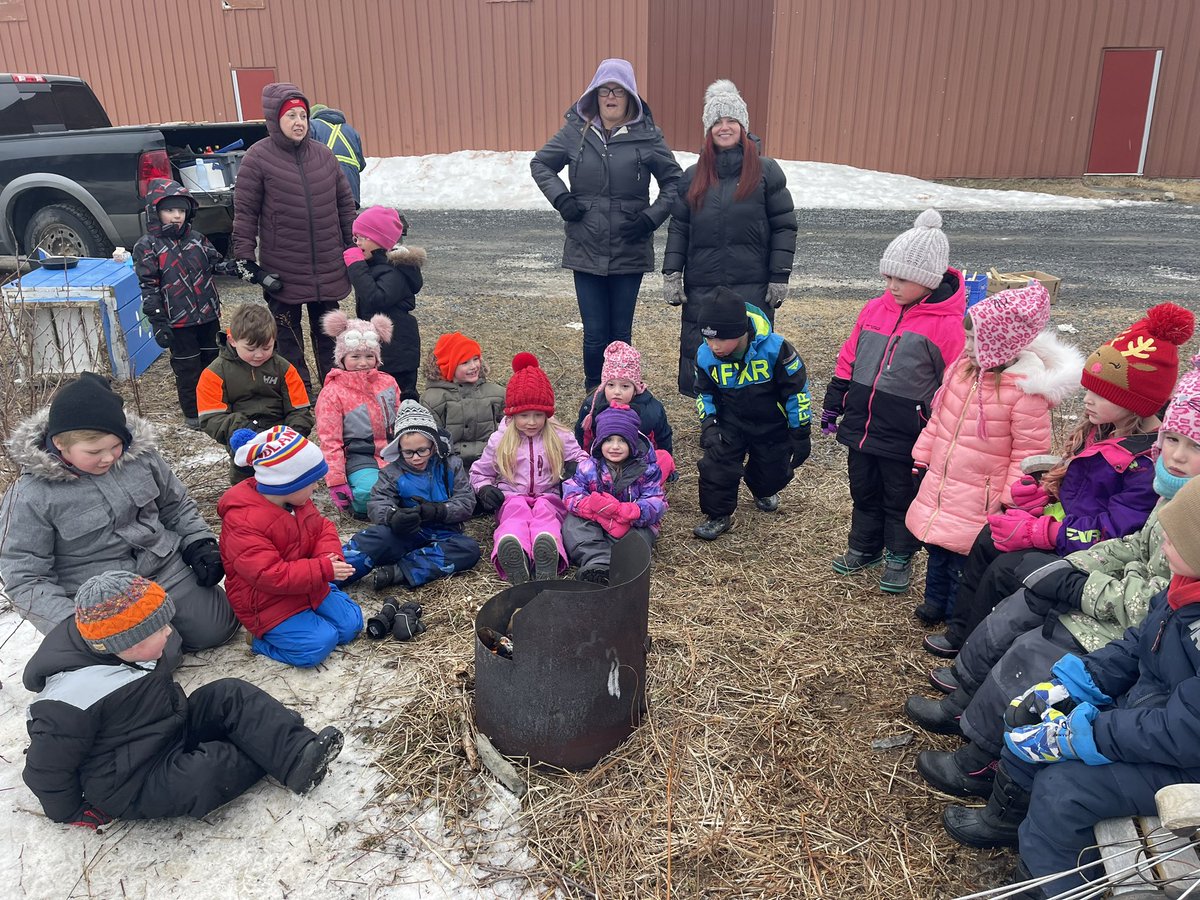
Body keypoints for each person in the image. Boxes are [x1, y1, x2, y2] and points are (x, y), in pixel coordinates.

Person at [908, 360, 1200, 799]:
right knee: (1020, 605)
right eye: (1173, 439)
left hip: (1134, 625)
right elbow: (1135, 545)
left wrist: (1084, 587)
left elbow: (1165, 597)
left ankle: (983, 759)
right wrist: (1077, 566)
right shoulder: (1172, 490)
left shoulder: (1174, 493)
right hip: (1117, 598)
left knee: (1037, 651)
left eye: (1194, 447)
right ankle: (964, 701)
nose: (1177, 454)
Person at [939, 473, 1200, 899]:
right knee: (1033, 715)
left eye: (1177, 538)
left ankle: (1050, 886)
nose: (1163, 544)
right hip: (1145, 721)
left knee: (1067, 791)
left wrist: (1085, 736)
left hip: (1184, 764)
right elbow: (1137, 645)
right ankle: (1007, 823)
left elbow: (1185, 731)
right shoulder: (1183, 591)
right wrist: (1071, 686)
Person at [923, 303, 1194, 658]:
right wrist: (1042, 497)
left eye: (1101, 394)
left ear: (1135, 403)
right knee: (989, 537)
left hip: (1086, 546)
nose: (1087, 401)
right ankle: (962, 631)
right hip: (1065, 527)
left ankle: (979, 650)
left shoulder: (1145, 466)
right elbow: (1076, 490)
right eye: (1088, 390)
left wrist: (1048, 533)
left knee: (1009, 568)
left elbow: (1116, 529)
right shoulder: (1101, 430)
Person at [23, 571, 343, 827]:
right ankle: (267, 743)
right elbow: (45, 766)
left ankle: (296, 756)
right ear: (124, 643)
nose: (168, 632)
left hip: (169, 726)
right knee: (207, 772)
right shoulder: (71, 699)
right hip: (132, 781)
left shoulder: (125, 647)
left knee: (228, 693)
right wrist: (67, 811)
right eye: (158, 629)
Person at [0, 373, 238, 651]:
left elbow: (176, 506)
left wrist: (199, 542)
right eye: (94, 451)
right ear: (60, 444)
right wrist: (71, 627)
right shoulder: (30, 495)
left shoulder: (140, 457)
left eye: (116, 446)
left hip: (164, 570)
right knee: (159, 657)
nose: (109, 457)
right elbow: (25, 576)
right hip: (104, 597)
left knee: (217, 629)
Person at [904, 281, 1083, 625]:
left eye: (976, 340)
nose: (967, 346)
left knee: (965, 559)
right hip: (944, 481)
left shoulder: (1024, 393)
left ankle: (958, 612)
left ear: (1003, 343)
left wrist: (1009, 496)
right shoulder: (962, 372)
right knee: (937, 547)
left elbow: (1028, 453)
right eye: (967, 338)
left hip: (981, 494)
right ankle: (934, 601)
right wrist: (923, 455)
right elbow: (940, 418)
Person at [821, 209, 965, 592]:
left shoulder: (947, 325)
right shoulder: (874, 309)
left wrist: (938, 425)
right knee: (863, 487)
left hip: (906, 432)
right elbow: (851, 352)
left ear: (928, 280)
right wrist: (838, 392)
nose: (892, 285)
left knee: (900, 495)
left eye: (902, 278)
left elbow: (952, 381)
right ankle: (863, 546)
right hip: (863, 424)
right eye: (888, 276)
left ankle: (899, 557)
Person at [531, 58, 682, 391]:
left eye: (618, 90)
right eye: (604, 90)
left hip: (630, 248)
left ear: (630, 96)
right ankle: (593, 394)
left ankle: (621, 393)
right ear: (595, 95)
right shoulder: (575, 132)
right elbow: (541, 164)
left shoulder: (647, 136)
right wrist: (562, 199)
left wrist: (650, 218)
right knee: (595, 332)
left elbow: (675, 182)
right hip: (586, 246)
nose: (611, 96)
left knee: (620, 333)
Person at [663, 80, 797, 397]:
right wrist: (672, 274)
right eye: (717, 122)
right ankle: (712, 417)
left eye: (731, 121)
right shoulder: (693, 175)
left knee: (749, 348)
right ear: (709, 130)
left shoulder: (766, 172)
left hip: (752, 282)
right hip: (703, 282)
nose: (724, 128)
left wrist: (779, 275)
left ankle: (749, 415)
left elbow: (784, 225)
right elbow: (679, 227)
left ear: (743, 125)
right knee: (707, 347)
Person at [232, 82, 356, 391]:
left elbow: (344, 204)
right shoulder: (258, 157)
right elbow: (245, 210)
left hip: (327, 261)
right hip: (283, 264)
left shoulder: (324, 156)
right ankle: (298, 387)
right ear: (275, 120)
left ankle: (334, 384)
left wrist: (351, 245)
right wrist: (245, 257)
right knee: (286, 333)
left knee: (328, 330)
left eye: (302, 115)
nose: (299, 122)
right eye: (291, 116)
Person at [217, 426, 363, 668]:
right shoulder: (243, 522)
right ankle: (259, 642)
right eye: (312, 482)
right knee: (318, 645)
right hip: (267, 602)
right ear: (286, 484)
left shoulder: (299, 502)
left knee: (351, 625)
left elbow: (322, 529)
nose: (317, 487)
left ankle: (311, 617)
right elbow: (268, 575)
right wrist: (322, 569)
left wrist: (330, 557)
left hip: (306, 585)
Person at [692, 288, 812, 541]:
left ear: (741, 331)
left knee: (772, 472)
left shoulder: (777, 349)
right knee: (716, 465)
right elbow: (704, 393)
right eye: (708, 338)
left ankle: (762, 489)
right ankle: (718, 515)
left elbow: (797, 391)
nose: (714, 345)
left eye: (721, 339)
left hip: (771, 424)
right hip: (730, 422)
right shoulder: (705, 355)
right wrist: (709, 424)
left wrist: (800, 432)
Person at [470, 353, 588, 583]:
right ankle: (515, 554)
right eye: (524, 415)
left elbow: (582, 458)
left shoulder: (560, 436)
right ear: (512, 414)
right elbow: (480, 472)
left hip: (550, 495)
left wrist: (576, 469)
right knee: (515, 515)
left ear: (547, 414)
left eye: (538, 415)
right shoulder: (500, 439)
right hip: (512, 496)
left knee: (547, 515)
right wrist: (484, 489)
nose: (531, 422)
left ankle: (548, 552)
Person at [340, 401, 481, 590]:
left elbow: (466, 501)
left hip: (446, 534)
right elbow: (377, 503)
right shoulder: (392, 472)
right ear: (399, 449)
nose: (416, 458)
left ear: (433, 444)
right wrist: (392, 516)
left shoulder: (451, 465)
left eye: (422, 450)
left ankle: (399, 571)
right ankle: (335, 574)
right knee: (374, 536)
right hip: (406, 531)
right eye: (408, 452)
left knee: (469, 549)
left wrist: (439, 511)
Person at [133, 178, 227, 429]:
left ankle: (216, 404)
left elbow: (216, 263)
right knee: (188, 368)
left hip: (207, 314)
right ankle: (193, 412)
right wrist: (157, 320)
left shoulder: (197, 239)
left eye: (181, 211)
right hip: (178, 320)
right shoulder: (147, 246)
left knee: (213, 361)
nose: (176, 216)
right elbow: (148, 285)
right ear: (155, 212)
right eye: (169, 210)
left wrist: (237, 267)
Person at [197, 303, 315, 484]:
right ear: (232, 340)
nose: (259, 355)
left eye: (266, 348)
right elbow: (211, 417)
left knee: (288, 488)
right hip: (243, 441)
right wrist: (244, 431)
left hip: (280, 441)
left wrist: (289, 436)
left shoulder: (284, 368)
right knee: (248, 492)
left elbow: (299, 410)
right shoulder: (214, 373)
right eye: (251, 349)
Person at [563, 403, 667, 584]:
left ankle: (625, 566)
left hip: (629, 524)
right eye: (609, 440)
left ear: (632, 442)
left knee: (640, 537)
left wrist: (633, 511)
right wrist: (590, 506)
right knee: (573, 525)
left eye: (622, 440)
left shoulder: (646, 469)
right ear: (600, 442)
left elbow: (657, 500)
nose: (615, 446)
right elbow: (572, 493)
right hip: (597, 522)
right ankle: (598, 563)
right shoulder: (588, 466)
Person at [314, 311, 402, 519]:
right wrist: (336, 480)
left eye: (369, 356)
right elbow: (330, 440)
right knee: (368, 494)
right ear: (342, 358)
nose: (363, 363)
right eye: (355, 356)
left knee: (414, 487)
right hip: (358, 456)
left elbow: (402, 421)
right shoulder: (332, 392)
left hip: (392, 451)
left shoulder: (388, 383)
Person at [343, 205, 425, 400]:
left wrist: (356, 267)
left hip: (398, 348)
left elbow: (375, 298)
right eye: (356, 237)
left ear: (380, 240)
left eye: (363, 237)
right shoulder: (376, 265)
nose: (357, 242)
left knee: (402, 395)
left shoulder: (394, 270)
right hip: (384, 344)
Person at [574, 340, 675, 482]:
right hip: (603, 464)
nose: (617, 392)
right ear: (603, 385)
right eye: (611, 385)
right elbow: (582, 436)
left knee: (662, 459)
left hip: (639, 465)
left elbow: (663, 438)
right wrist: (583, 461)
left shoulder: (651, 409)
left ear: (636, 388)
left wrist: (667, 464)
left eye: (625, 386)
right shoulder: (592, 406)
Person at [421, 331, 505, 472]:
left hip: (492, 461)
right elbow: (435, 441)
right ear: (449, 366)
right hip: (450, 464)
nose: (473, 366)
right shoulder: (432, 399)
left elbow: (510, 429)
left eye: (476, 359)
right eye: (465, 362)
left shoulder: (497, 394)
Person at [308, 103, 366, 206]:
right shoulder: (352, 131)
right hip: (351, 189)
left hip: (326, 187)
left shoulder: (312, 126)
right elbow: (361, 165)